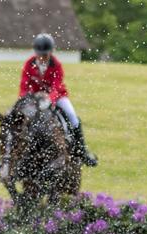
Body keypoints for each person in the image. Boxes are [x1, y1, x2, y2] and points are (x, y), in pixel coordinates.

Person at [17, 33, 98, 167]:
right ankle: (9, 158)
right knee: (16, 119)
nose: (42, 58)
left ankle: (81, 151)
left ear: (51, 52)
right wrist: (29, 98)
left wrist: (49, 98)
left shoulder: (56, 65)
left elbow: (57, 86)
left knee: (73, 117)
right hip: (34, 99)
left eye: (45, 55)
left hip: (57, 97)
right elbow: (24, 86)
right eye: (40, 55)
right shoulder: (29, 64)